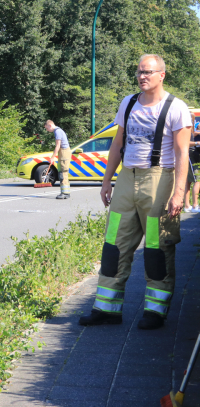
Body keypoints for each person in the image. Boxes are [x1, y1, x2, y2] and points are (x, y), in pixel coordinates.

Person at [78, 54, 191, 330]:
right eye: (139, 71)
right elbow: (118, 143)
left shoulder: (177, 108)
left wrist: (178, 193)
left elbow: (182, 153)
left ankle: (155, 311)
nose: (142, 76)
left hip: (159, 179)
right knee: (113, 245)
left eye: (148, 72)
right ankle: (106, 309)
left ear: (162, 75)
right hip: (126, 179)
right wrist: (107, 181)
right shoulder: (128, 103)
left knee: (155, 247)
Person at [44, 120, 71, 199]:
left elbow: (57, 146)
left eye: (47, 128)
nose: (47, 130)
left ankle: (64, 193)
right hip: (63, 152)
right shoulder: (58, 131)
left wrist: (52, 158)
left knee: (63, 173)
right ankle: (65, 192)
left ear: (50, 125)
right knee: (62, 172)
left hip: (64, 153)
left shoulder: (57, 132)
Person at [185, 120, 200, 212]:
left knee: (188, 181)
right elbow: (185, 142)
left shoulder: (191, 131)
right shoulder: (189, 132)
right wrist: (197, 143)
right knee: (197, 180)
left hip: (190, 155)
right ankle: (195, 205)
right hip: (193, 156)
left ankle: (187, 205)